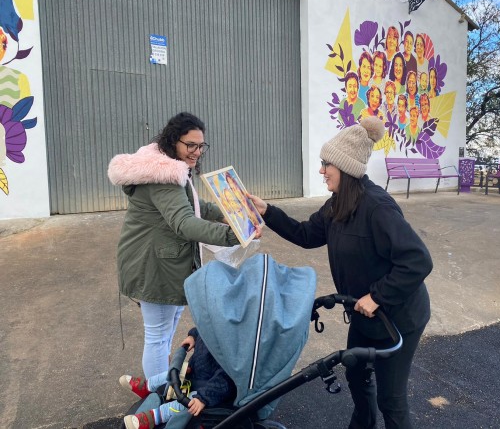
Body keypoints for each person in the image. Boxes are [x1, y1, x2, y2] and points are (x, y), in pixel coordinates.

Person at [248, 117, 432, 429]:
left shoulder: (378, 207)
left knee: (391, 397)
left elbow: (418, 260)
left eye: (325, 164)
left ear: (344, 167)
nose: (321, 171)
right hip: (363, 313)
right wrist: (268, 211)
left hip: (398, 317)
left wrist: (377, 296)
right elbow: (306, 235)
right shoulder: (337, 205)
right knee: (357, 376)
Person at [108, 112, 253, 378]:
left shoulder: (171, 169)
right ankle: (159, 394)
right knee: (157, 335)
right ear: (174, 141)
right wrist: (234, 234)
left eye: (201, 146)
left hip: (167, 262)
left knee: (166, 330)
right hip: (153, 265)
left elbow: (196, 206)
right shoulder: (162, 176)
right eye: (191, 145)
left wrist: (233, 213)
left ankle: (164, 382)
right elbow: (185, 223)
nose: (197, 152)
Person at [120, 327, 236, 429]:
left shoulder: (234, 343)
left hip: (212, 390)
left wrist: (203, 398)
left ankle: (155, 417)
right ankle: (148, 385)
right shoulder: (215, 319)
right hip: (197, 372)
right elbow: (202, 324)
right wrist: (193, 335)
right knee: (176, 372)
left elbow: (226, 380)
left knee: (189, 403)